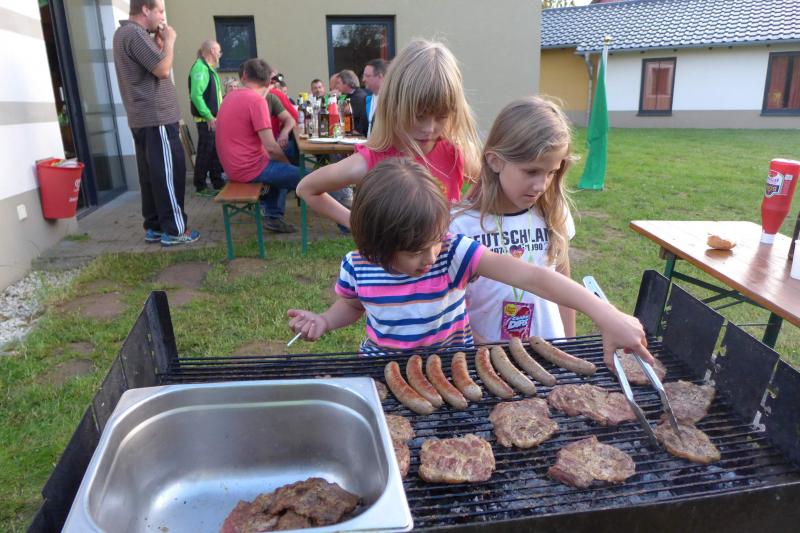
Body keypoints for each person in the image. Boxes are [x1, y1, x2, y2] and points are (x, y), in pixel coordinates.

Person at [287, 159, 654, 368]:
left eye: (434, 242)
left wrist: (605, 314)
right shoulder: (358, 266)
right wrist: (325, 320)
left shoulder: (452, 253)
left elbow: (533, 277)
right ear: (377, 246)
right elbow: (352, 305)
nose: (430, 257)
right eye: (415, 252)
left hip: (455, 368)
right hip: (383, 370)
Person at [296, 38, 482, 230]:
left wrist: (460, 214)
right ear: (394, 105)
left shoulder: (455, 152)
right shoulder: (371, 161)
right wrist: (358, 226)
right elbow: (306, 188)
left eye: (442, 116)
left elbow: (490, 180)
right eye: (419, 116)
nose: (429, 128)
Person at [451, 96, 577, 344]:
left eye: (551, 172)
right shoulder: (459, 225)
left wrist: (570, 345)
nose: (541, 185)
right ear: (495, 161)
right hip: (486, 358)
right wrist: (490, 351)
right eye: (531, 171)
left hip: (550, 351)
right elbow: (450, 309)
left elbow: (564, 283)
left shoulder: (554, 212)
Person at [112, 0, 199, 246]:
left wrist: (159, 45)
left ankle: (155, 227)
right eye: (160, 10)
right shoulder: (135, 33)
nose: (163, 16)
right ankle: (175, 230)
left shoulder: (124, 33)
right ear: (145, 10)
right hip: (157, 118)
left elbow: (151, 66)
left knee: (151, 176)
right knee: (168, 175)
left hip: (143, 119)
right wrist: (169, 41)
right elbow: (162, 69)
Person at [215, 58, 301, 233]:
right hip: (248, 169)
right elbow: (271, 148)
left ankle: (273, 217)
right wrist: (286, 165)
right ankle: (348, 222)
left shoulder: (230, 97)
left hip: (232, 167)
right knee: (311, 178)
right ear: (269, 81)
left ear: (244, 76)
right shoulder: (256, 101)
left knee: (282, 169)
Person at [188, 39, 225, 196]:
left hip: (213, 120)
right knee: (205, 153)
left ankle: (217, 182)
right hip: (206, 121)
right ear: (212, 51)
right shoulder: (200, 68)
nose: (220, 54)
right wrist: (209, 116)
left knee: (215, 152)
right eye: (219, 51)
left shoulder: (208, 68)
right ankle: (200, 186)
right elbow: (196, 96)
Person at [337, 69, 368, 135]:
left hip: (359, 135)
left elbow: (346, 117)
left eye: (338, 83)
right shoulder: (348, 95)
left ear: (346, 83)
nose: (337, 86)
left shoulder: (358, 97)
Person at [362, 58, 387, 137]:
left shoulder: (392, 102)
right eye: (364, 76)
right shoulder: (367, 100)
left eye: (367, 76)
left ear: (380, 77)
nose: (363, 80)